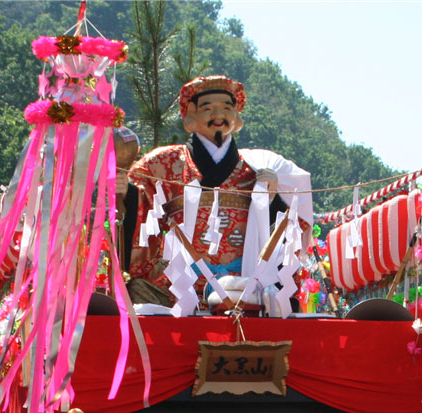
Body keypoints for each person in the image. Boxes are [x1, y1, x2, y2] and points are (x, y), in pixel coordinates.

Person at [126, 74, 312, 297]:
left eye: (226, 108)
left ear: (237, 117)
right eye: (207, 108)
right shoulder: (164, 163)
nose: (218, 115)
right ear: (190, 116)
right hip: (177, 287)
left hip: (241, 288)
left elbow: (284, 230)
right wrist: (125, 192)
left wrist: (273, 198)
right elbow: (139, 205)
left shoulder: (256, 169)